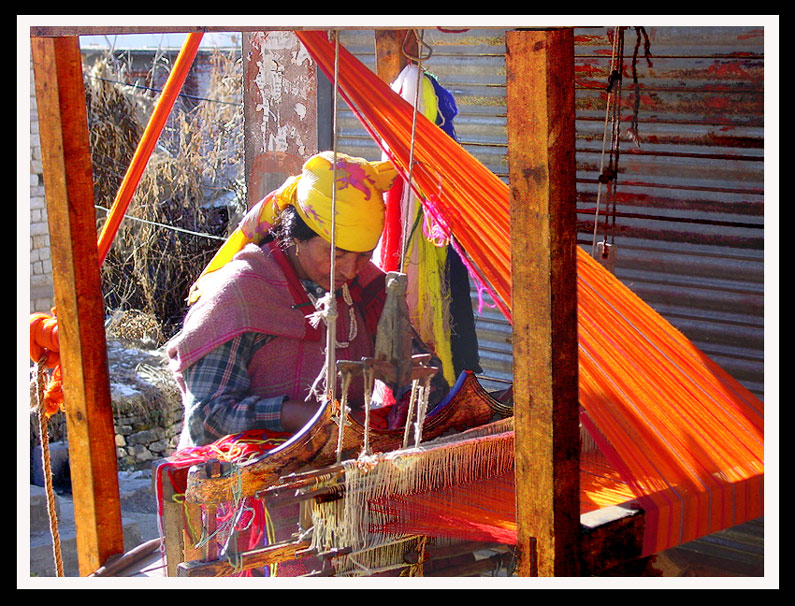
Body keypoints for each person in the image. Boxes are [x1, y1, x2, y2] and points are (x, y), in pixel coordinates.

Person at [167, 151, 447, 449]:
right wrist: (294, 414)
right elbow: (207, 420)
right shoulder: (238, 294)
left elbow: (420, 375)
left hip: (335, 477)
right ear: (296, 237)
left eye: (363, 255)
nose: (350, 271)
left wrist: (420, 392)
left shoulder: (368, 291)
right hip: (241, 483)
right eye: (336, 255)